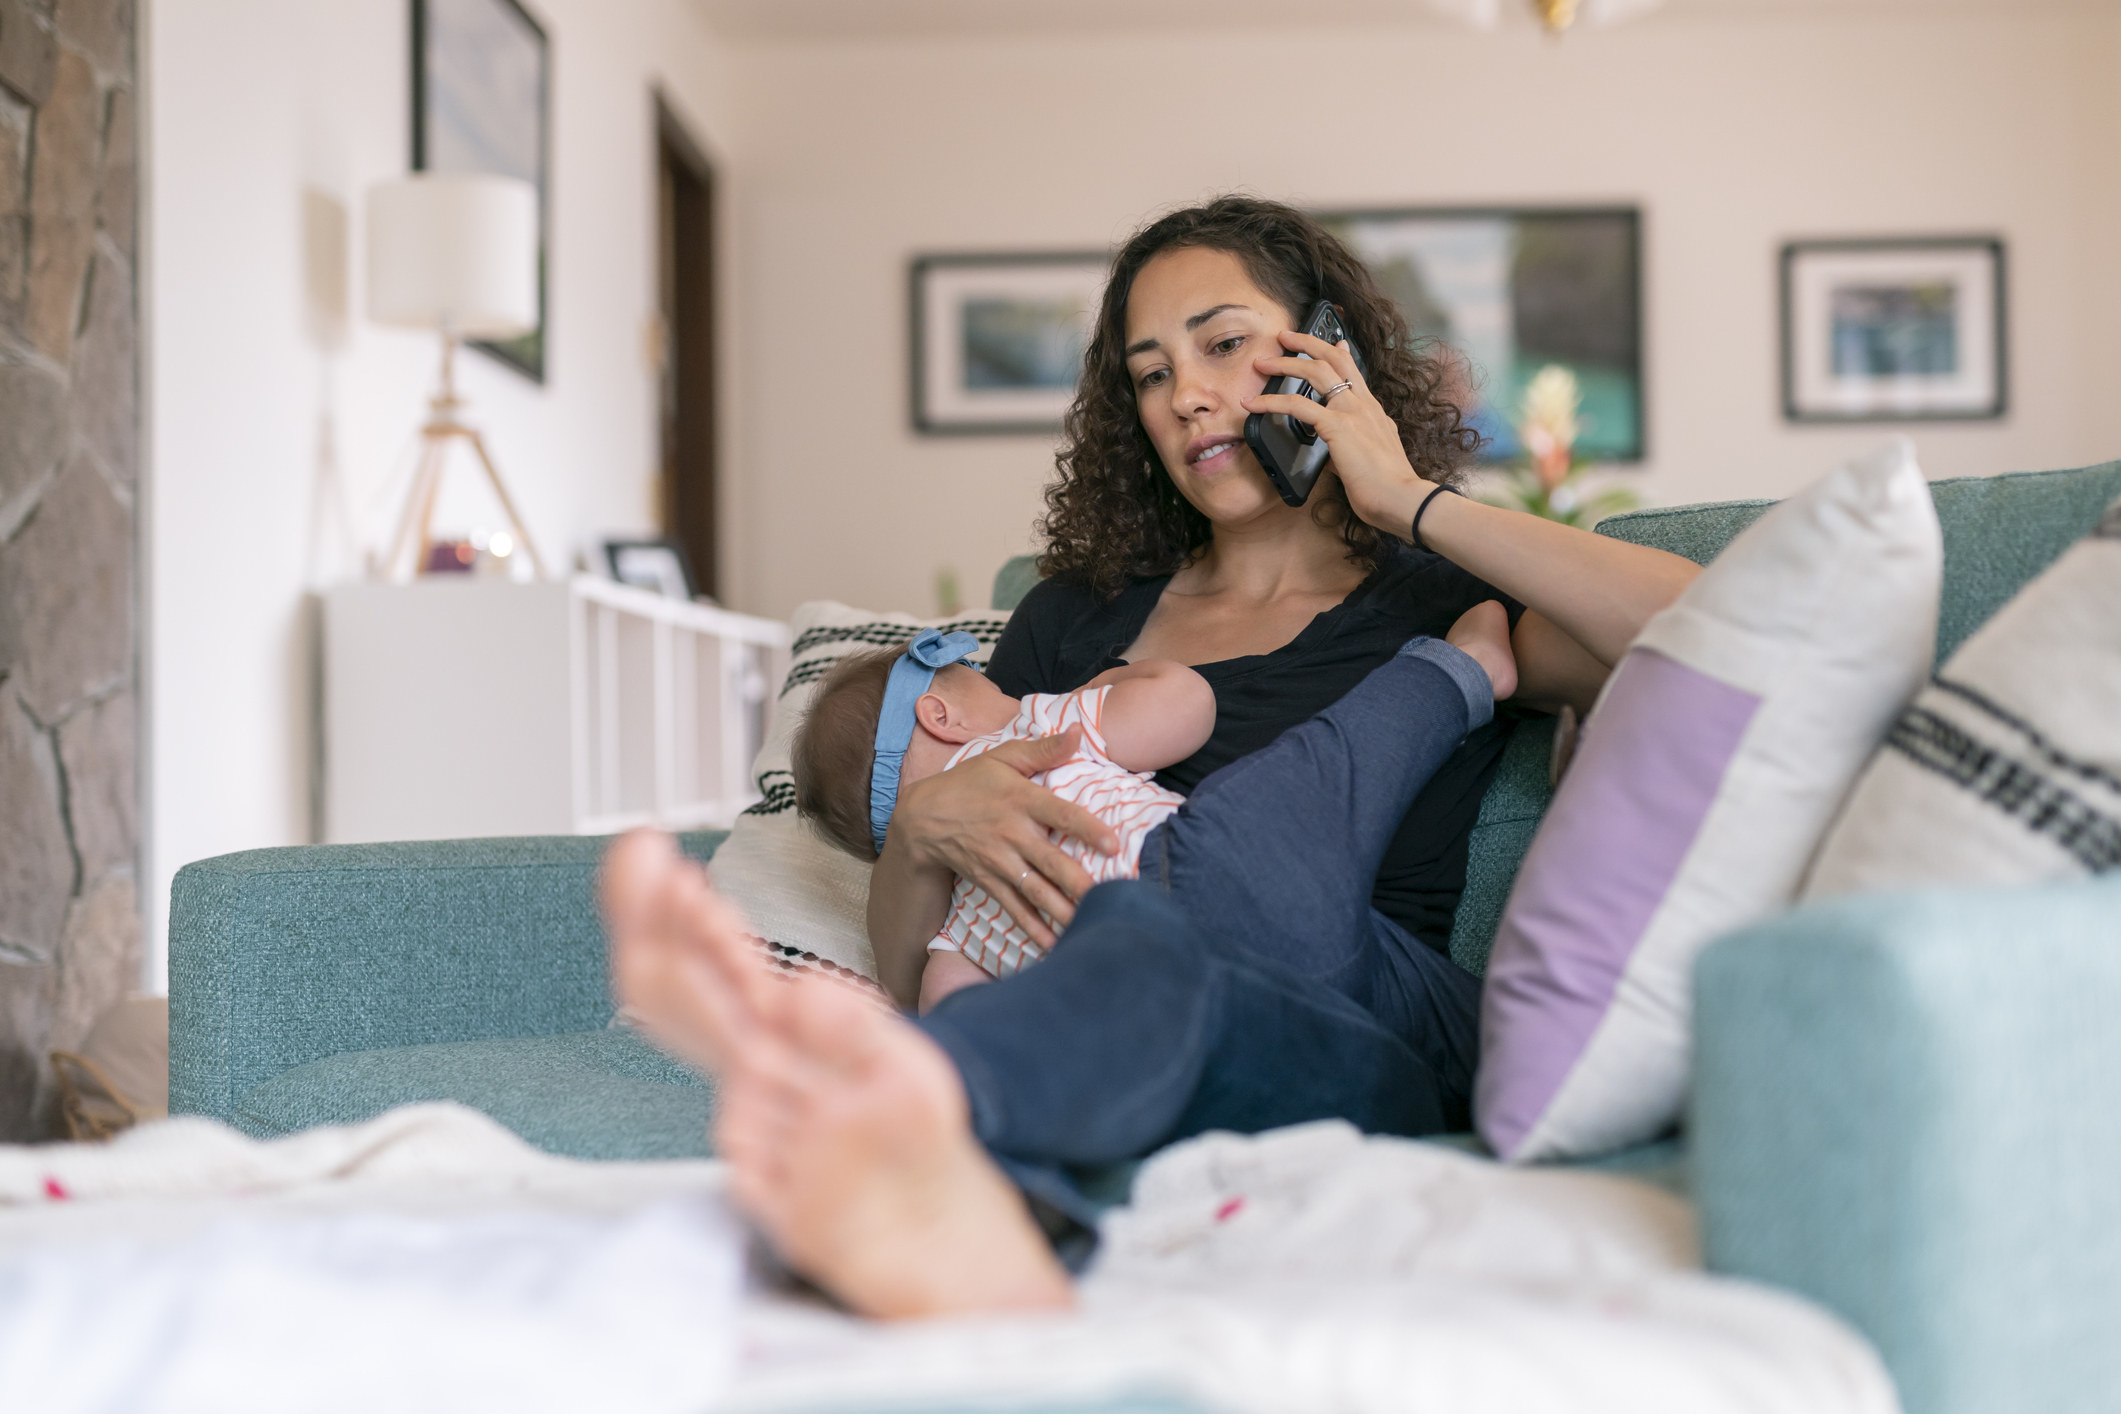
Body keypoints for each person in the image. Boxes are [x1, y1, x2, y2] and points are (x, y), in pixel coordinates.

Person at [605, 194, 1701, 1319]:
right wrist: (924, 837)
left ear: (1330, 350)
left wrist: (1409, 500)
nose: (1186, 395)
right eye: (1149, 373)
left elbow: (1727, 632)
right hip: (1145, 1008)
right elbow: (923, 965)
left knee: (1200, 871)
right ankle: (960, 1182)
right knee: (1121, 931)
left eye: (1223, 344)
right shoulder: (1073, 620)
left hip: (1358, 1023)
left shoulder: (1447, 600)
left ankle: (924, 1138)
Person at [790, 605, 1513, 1012]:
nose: (996, 684)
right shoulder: (1038, 728)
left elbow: (948, 1016)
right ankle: (1457, 670)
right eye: (974, 677)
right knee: (1323, 766)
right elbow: (1186, 708)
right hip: (1193, 872)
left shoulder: (956, 926)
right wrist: (1114, 683)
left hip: (1142, 1004)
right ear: (942, 715)